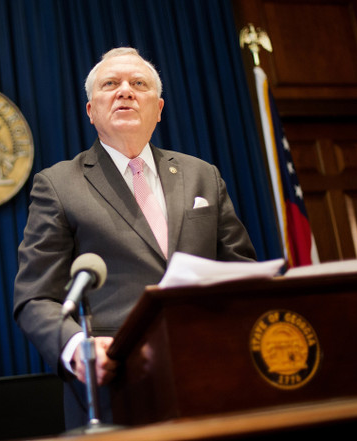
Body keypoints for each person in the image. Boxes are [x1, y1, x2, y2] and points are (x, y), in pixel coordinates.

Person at [13, 47, 256, 429]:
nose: (125, 91)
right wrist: (78, 347)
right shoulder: (58, 185)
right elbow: (34, 297)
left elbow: (242, 271)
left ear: (158, 109)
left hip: (212, 371)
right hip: (119, 385)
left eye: (138, 84)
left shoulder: (201, 175)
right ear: (91, 111)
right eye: (111, 84)